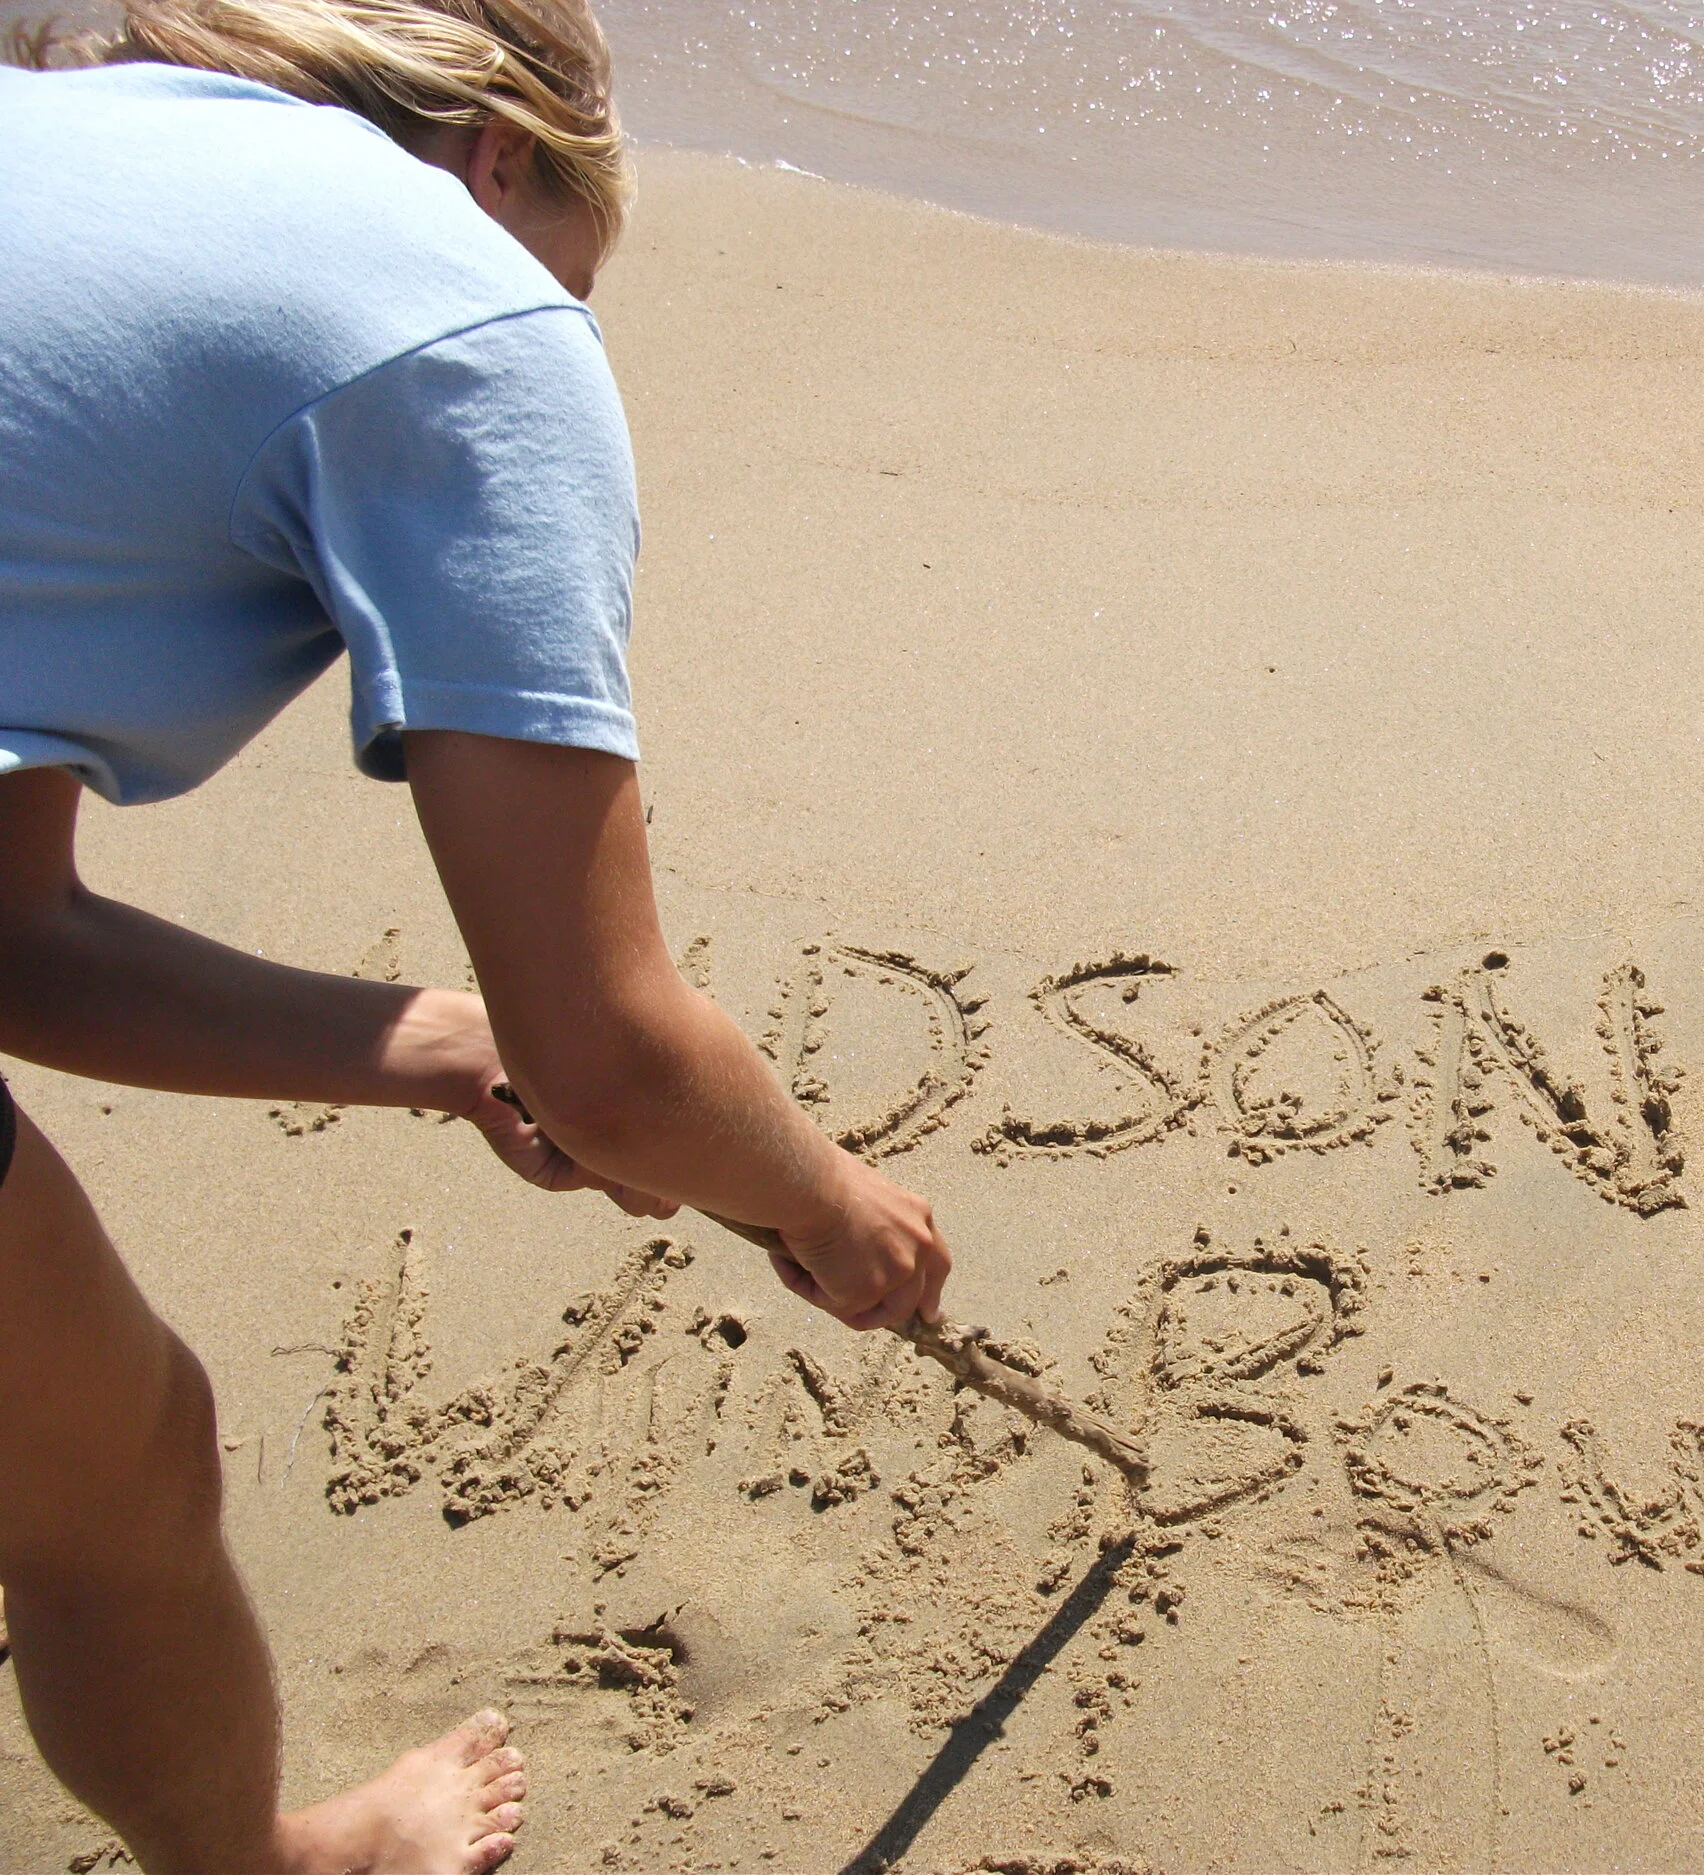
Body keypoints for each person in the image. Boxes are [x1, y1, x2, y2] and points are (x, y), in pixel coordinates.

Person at [0, 1, 954, 1867]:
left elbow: (8, 935)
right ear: (504, 159)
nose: (566, 323)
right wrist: (830, 1203)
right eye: (575, 276)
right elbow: (613, 1054)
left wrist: (444, 1045)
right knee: (111, 1470)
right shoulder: (466, 313)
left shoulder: (62, 157)